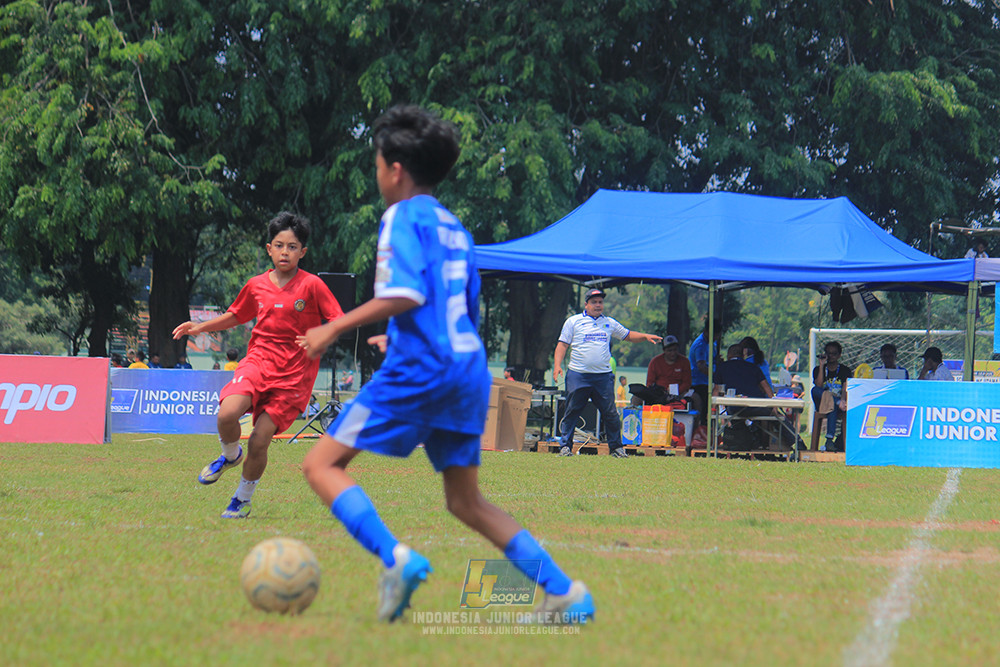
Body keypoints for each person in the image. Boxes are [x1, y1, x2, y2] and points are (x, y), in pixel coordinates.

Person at [296, 105, 594, 626]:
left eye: (376, 163)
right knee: (465, 501)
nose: (377, 173)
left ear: (394, 169)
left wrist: (333, 327)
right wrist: (401, 334)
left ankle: (396, 558)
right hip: (466, 368)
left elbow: (407, 291)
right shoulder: (453, 226)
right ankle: (566, 593)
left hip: (424, 368)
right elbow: (456, 302)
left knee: (320, 465)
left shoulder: (400, 216)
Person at [172, 211, 344, 518]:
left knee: (260, 439)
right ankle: (229, 455)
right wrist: (200, 327)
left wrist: (320, 337)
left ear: (302, 252)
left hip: (294, 376)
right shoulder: (256, 285)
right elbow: (237, 315)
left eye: (292, 247)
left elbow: (338, 320)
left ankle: (242, 499)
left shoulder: (313, 285)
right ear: (269, 248)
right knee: (227, 414)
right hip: (257, 363)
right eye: (279, 245)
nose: (285, 252)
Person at [553, 288, 663, 458]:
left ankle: (616, 448)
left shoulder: (609, 323)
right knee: (572, 410)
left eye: (600, 302)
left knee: (610, 412)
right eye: (594, 302)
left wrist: (645, 336)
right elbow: (562, 345)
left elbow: (627, 335)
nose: (598, 305)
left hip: (602, 377)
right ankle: (565, 447)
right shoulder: (573, 321)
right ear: (586, 304)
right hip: (578, 374)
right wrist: (557, 366)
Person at [811, 341, 852, 452]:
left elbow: (845, 388)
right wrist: (821, 366)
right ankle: (835, 401)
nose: (831, 356)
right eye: (828, 353)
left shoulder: (845, 370)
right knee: (815, 390)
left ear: (839, 355)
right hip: (822, 402)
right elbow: (818, 385)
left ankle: (829, 440)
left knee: (832, 405)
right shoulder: (818, 369)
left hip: (838, 404)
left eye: (834, 354)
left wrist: (843, 400)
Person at [646, 335, 694, 406]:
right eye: (669, 350)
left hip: (680, 394)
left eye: (675, 350)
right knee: (636, 398)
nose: (673, 353)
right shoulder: (655, 362)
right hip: (659, 395)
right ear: (664, 350)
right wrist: (661, 392)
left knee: (696, 398)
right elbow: (649, 383)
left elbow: (687, 382)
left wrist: (676, 392)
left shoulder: (685, 362)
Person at [689, 320, 721, 424]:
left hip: (708, 382)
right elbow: (701, 366)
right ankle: (702, 431)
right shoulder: (700, 345)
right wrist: (716, 376)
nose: (715, 338)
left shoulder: (711, 343)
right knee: (704, 411)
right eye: (714, 335)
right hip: (699, 384)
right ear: (706, 331)